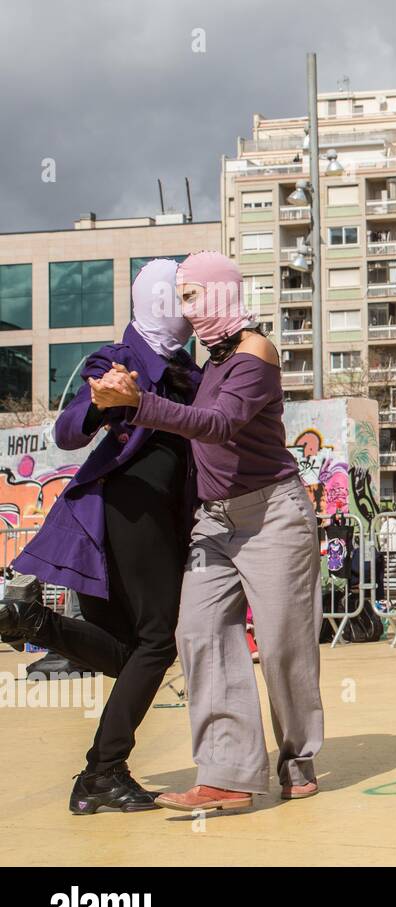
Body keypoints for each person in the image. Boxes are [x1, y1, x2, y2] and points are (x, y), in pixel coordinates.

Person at [89, 251, 324, 812]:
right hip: (215, 523)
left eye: (192, 296)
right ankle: (228, 774)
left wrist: (138, 403)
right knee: (197, 632)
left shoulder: (254, 352)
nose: (185, 311)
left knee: (283, 647)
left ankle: (297, 756)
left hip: (273, 517)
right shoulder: (211, 359)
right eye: (178, 299)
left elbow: (218, 426)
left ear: (221, 294)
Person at [0, 259, 201, 814]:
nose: (186, 307)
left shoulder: (189, 368)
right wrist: (98, 401)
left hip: (154, 517)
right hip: (127, 510)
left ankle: (33, 623)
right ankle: (102, 773)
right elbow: (66, 431)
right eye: (178, 295)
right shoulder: (120, 357)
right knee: (157, 642)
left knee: (131, 654)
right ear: (154, 299)